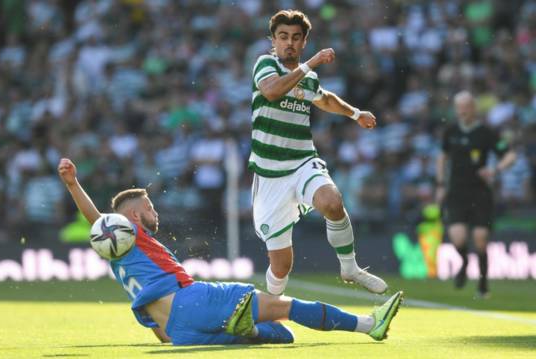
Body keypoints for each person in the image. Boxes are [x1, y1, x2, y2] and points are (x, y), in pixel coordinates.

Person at [57, 157, 403, 345]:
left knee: (281, 335)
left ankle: (247, 329)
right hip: (192, 301)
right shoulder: (126, 231)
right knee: (287, 306)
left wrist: (169, 336)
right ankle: (369, 324)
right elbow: (97, 218)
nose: (154, 211)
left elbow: (158, 326)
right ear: (131, 217)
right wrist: (73, 184)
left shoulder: (125, 262)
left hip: (178, 332)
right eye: (148, 206)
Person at [249, 9, 387, 296]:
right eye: (283, 37)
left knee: (332, 202)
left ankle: (349, 266)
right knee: (282, 265)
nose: (289, 43)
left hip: (302, 162)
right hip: (270, 175)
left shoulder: (307, 79)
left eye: (296, 38)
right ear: (273, 40)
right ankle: (271, 306)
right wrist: (311, 63)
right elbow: (272, 92)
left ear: (303, 41)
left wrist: (356, 113)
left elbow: (324, 99)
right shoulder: (265, 65)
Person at [436, 91, 517, 297]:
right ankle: (463, 262)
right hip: (456, 191)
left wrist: (495, 170)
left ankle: (482, 284)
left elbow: (510, 155)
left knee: (480, 238)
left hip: (480, 192)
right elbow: (442, 157)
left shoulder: (486, 133)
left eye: (466, 107)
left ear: (474, 108)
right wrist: (440, 184)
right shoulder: (451, 131)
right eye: (459, 108)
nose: (462, 111)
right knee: (458, 238)